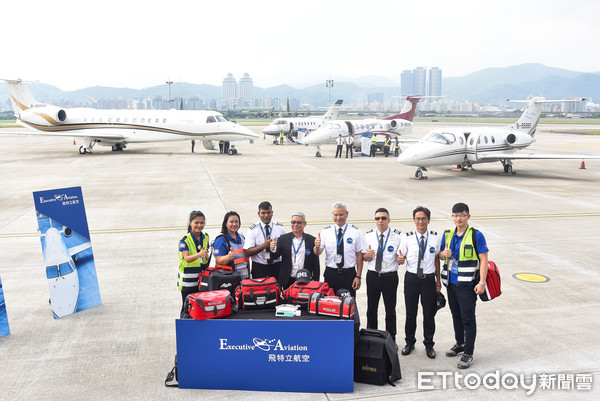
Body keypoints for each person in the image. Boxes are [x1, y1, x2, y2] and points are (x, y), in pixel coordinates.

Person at [438, 202, 489, 369]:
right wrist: (443, 255)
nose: (458, 218)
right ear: (452, 217)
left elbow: (483, 260)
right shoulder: (448, 234)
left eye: (462, 215)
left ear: (468, 216)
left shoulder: (476, 235)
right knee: (456, 315)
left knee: (468, 318)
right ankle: (460, 343)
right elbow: (440, 256)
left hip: (467, 285)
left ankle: (468, 353)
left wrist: (482, 282)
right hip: (451, 283)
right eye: (455, 215)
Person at [397, 206, 441, 358]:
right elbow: (401, 258)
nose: (420, 221)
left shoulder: (435, 237)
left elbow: (436, 259)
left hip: (428, 280)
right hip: (412, 279)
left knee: (429, 314)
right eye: (418, 218)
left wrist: (438, 280)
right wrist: (400, 260)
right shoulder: (407, 237)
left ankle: (429, 344)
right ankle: (410, 342)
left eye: (423, 218)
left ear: (428, 220)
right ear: (414, 220)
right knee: (411, 313)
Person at [362, 208, 402, 340]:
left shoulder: (397, 236)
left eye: (384, 218)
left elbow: (401, 258)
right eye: (377, 218)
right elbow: (364, 257)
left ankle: (391, 339)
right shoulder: (368, 235)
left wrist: (401, 260)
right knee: (371, 309)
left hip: (390, 277)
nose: (380, 221)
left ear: (389, 220)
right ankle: (371, 338)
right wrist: (367, 256)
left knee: (390, 310)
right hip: (373, 276)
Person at [314, 201, 365, 297]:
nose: (338, 218)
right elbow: (318, 252)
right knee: (329, 304)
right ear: (332, 215)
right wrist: (316, 246)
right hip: (331, 274)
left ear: (347, 214)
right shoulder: (326, 232)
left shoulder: (355, 232)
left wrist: (358, 276)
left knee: (348, 304)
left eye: (341, 214)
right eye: (335, 215)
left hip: (349, 274)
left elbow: (359, 255)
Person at [270, 212, 320, 289]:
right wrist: (272, 249)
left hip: (305, 280)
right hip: (287, 279)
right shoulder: (283, 239)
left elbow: (316, 264)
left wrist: (316, 281)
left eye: (299, 222)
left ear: (305, 224)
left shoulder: (311, 240)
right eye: (293, 222)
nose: (296, 225)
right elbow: (275, 256)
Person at [178, 211, 210, 314]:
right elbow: (186, 258)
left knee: (199, 308)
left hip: (201, 279)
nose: (199, 225)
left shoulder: (206, 237)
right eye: (196, 222)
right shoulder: (184, 240)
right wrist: (199, 255)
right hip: (188, 281)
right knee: (187, 308)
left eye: (202, 223)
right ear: (190, 223)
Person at [244, 201, 286, 279]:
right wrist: (264, 246)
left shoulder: (280, 228)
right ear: (258, 213)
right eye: (263, 213)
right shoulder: (253, 230)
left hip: (276, 266)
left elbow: (285, 248)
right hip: (259, 268)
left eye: (268, 212)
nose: (266, 215)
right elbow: (247, 252)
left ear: (272, 213)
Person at [213, 211, 250, 278]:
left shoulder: (242, 238)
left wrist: (249, 274)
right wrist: (228, 257)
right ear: (226, 224)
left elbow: (246, 259)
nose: (234, 224)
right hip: (229, 278)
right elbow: (219, 260)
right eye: (231, 222)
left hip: (244, 277)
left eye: (236, 222)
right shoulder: (220, 240)